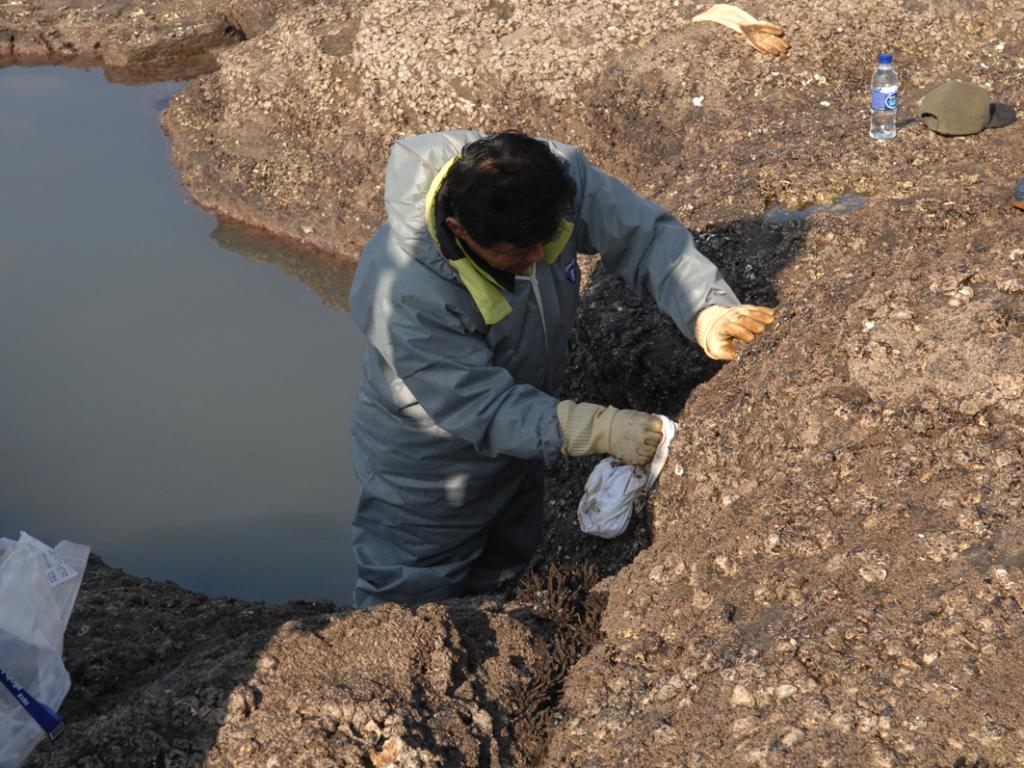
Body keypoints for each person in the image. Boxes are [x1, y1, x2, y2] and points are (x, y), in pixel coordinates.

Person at [347, 130, 775, 608]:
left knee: (503, 567)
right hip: (430, 461)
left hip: (529, 426)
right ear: (460, 230)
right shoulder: (404, 291)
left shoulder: (548, 180)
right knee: (411, 588)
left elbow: (643, 235)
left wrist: (706, 310)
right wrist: (598, 427)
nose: (536, 260)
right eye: (516, 252)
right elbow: (482, 407)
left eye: (546, 242)